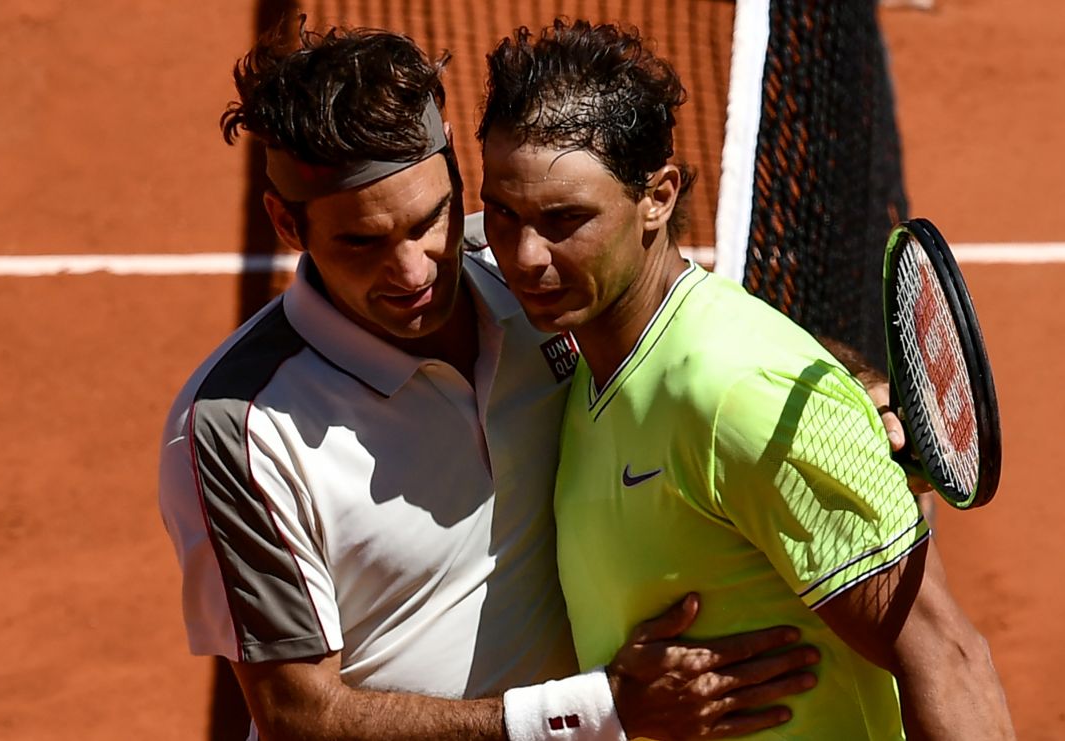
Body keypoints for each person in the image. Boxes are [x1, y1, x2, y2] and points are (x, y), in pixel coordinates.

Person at [158, 20, 826, 741]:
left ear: (457, 177)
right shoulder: (235, 427)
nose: (414, 271)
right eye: (363, 241)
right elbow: (299, 714)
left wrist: (836, 393)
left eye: (430, 218)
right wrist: (596, 712)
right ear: (287, 225)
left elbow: (691, 330)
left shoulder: (527, 275)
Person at [476, 18, 1015, 740]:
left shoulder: (735, 394)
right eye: (502, 213)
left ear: (659, 197)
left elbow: (950, 658)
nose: (525, 255)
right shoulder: (590, 358)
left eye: (564, 219)